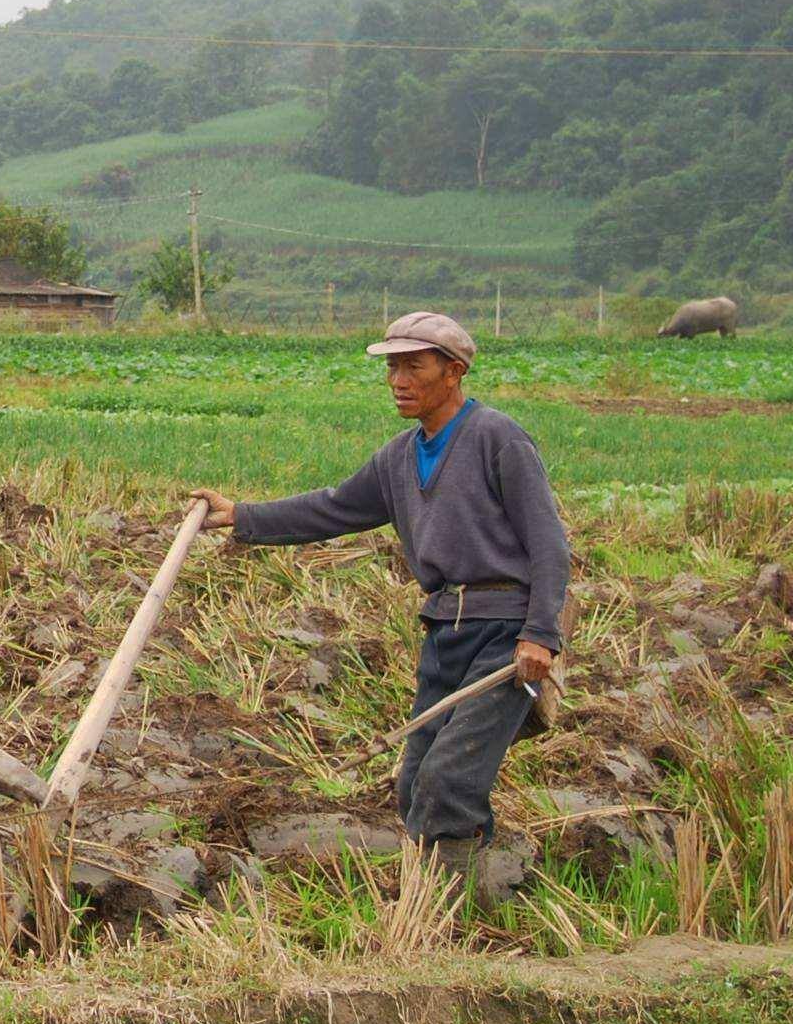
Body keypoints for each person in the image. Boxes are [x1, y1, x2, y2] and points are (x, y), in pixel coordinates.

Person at [188, 310, 569, 905]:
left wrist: (541, 634)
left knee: (450, 782)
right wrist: (244, 515)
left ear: (454, 371)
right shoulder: (398, 457)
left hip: (505, 633)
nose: (398, 379)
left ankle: (467, 924)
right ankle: (438, 916)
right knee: (415, 782)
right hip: (445, 631)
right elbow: (334, 508)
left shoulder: (499, 439)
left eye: (413, 365)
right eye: (392, 366)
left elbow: (549, 543)